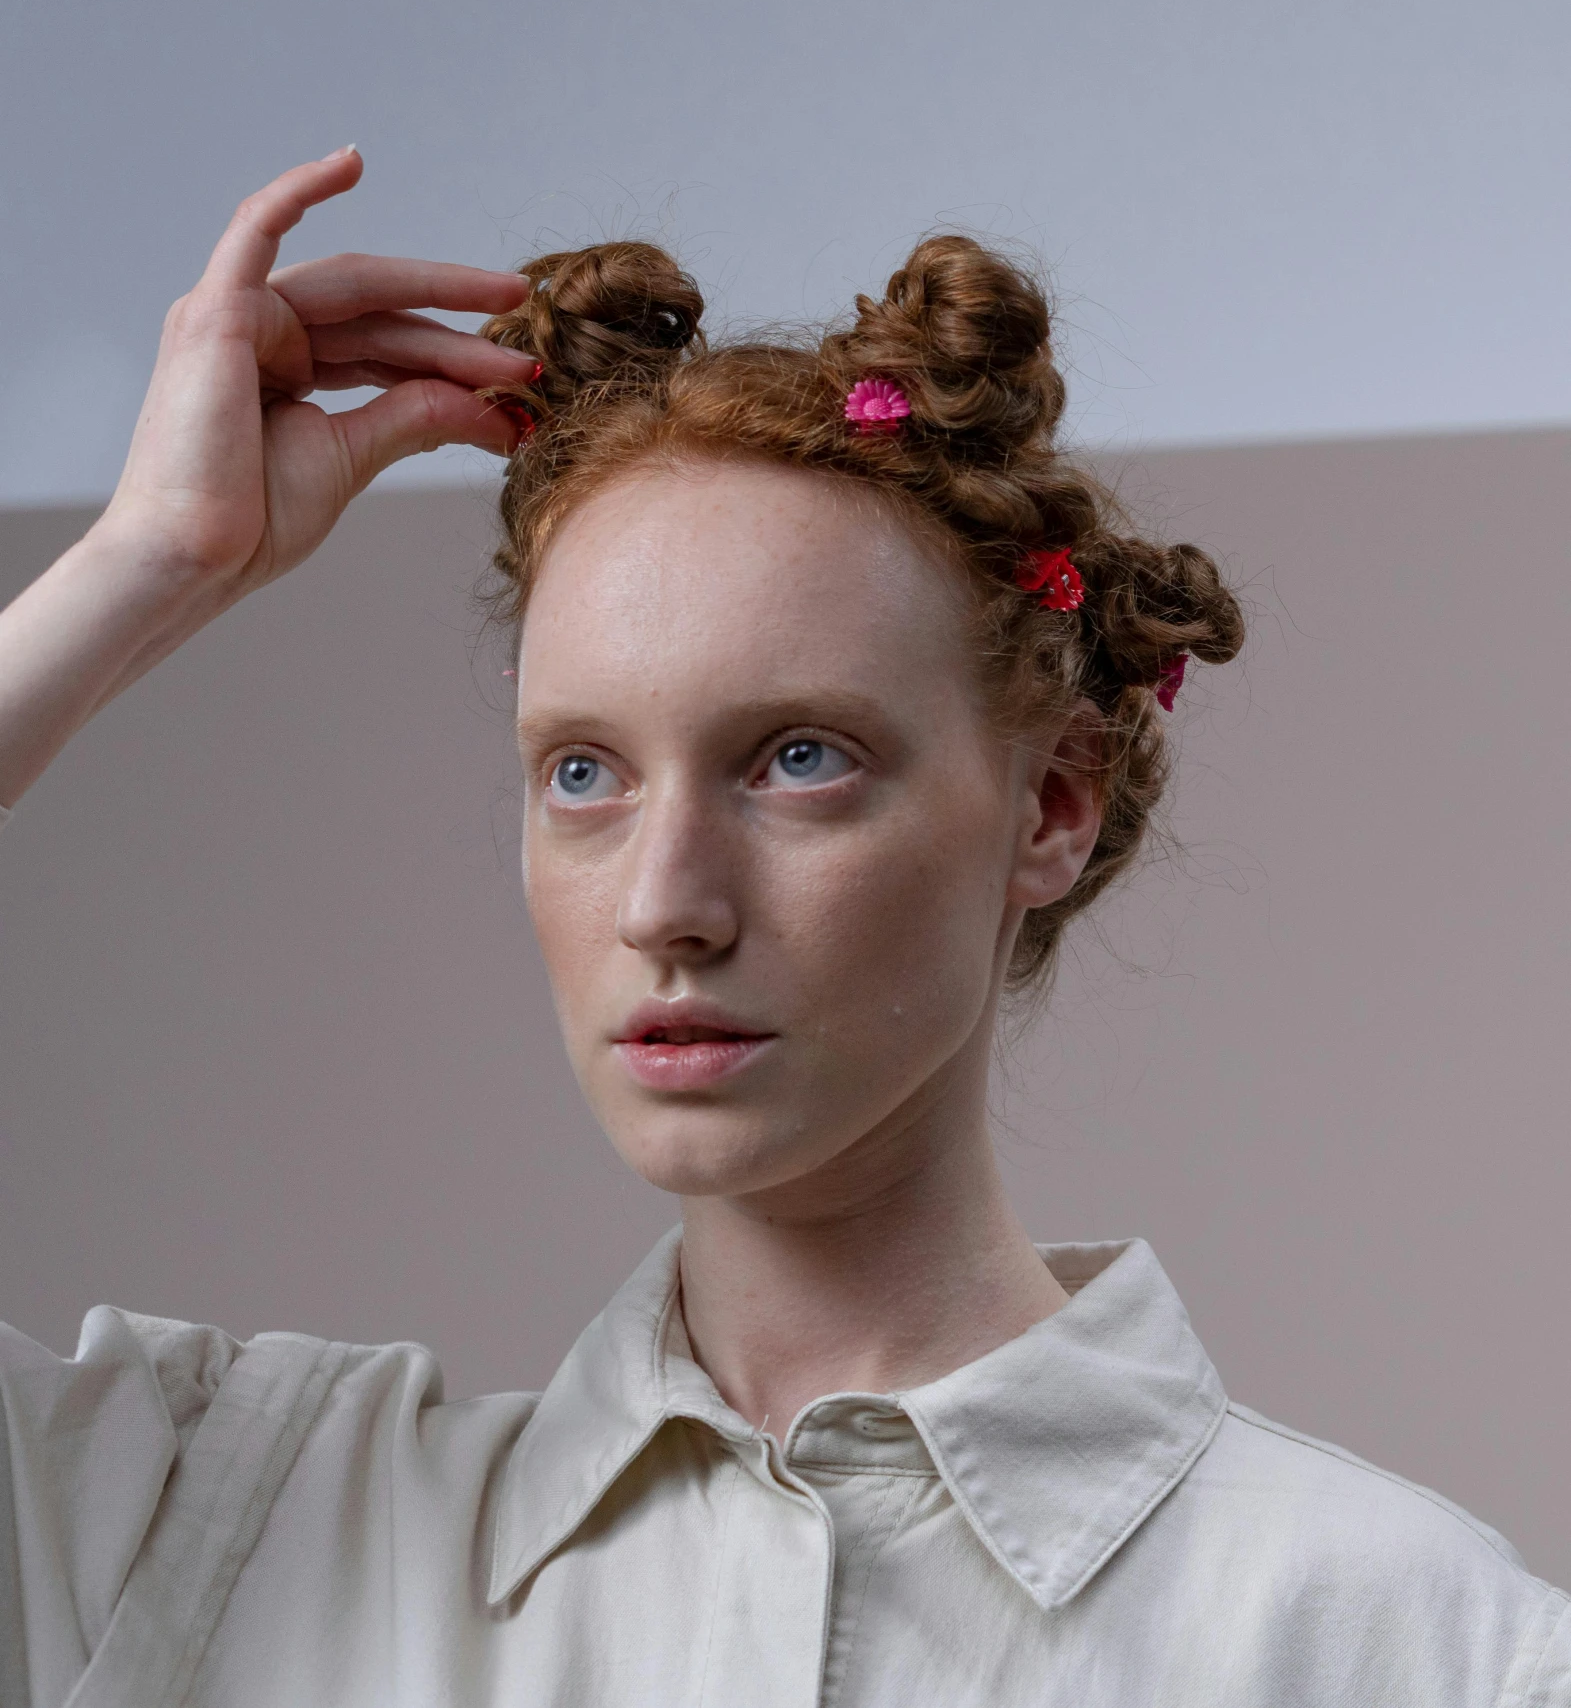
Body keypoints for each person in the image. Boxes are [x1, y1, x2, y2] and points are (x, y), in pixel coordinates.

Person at [0, 150, 1565, 1708]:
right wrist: (148, 564)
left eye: (797, 757)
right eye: (584, 772)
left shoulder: (1420, 1646)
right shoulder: (206, 1525)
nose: (665, 903)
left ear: (1052, 805)